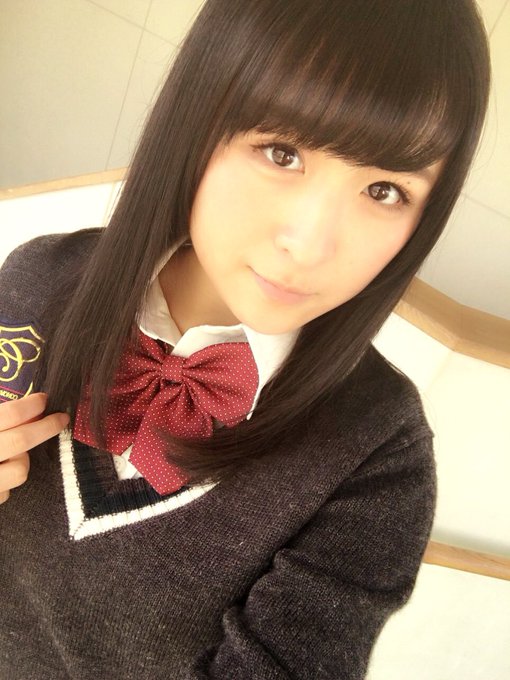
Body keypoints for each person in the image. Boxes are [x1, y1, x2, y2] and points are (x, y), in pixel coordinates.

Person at [0, 0, 490, 678]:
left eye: (384, 190)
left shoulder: (378, 455)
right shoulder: (35, 282)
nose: (308, 245)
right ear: (197, 122)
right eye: (282, 153)